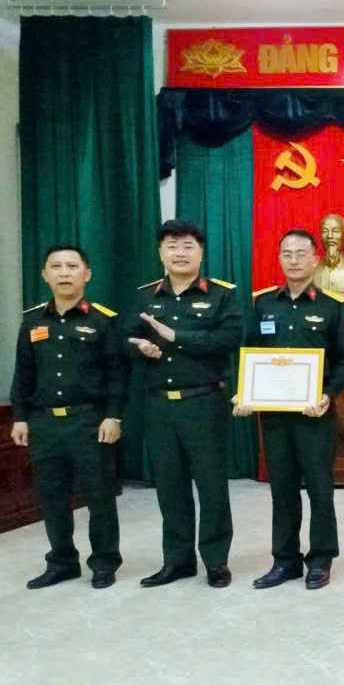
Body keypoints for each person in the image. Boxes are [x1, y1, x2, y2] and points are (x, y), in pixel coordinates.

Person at [235, 229, 344, 590]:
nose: (293, 260)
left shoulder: (331, 307)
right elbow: (250, 354)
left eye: (301, 253)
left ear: (315, 260)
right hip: (274, 416)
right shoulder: (263, 304)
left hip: (315, 414)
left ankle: (321, 559)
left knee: (320, 489)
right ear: (279, 259)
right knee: (282, 489)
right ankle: (284, 560)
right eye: (286, 253)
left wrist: (328, 394)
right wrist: (245, 392)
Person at [126, 220, 241, 589]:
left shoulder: (221, 295)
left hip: (204, 401)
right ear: (160, 252)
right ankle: (177, 561)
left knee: (211, 486)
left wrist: (176, 336)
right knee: (169, 486)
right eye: (172, 246)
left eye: (188, 246)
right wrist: (140, 346)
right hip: (159, 406)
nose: (180, 253)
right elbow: (125, 338)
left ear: (201, 252)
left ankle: (216, 561)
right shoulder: (145, 297)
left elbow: (228, 338)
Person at [9, 245, 125, 589]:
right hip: (44, 422)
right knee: (52, 496)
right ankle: (62, 562)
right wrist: (20, 417)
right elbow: (24, 372)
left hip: (89, 421)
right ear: (45, 275)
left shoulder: (102, 320)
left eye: (72, 266)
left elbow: (117, 374)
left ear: (86, 274)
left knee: (99, 496)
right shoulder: (33, 321)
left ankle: (104, 562)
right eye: (56, 267)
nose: (64, 273)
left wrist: (114, 416)